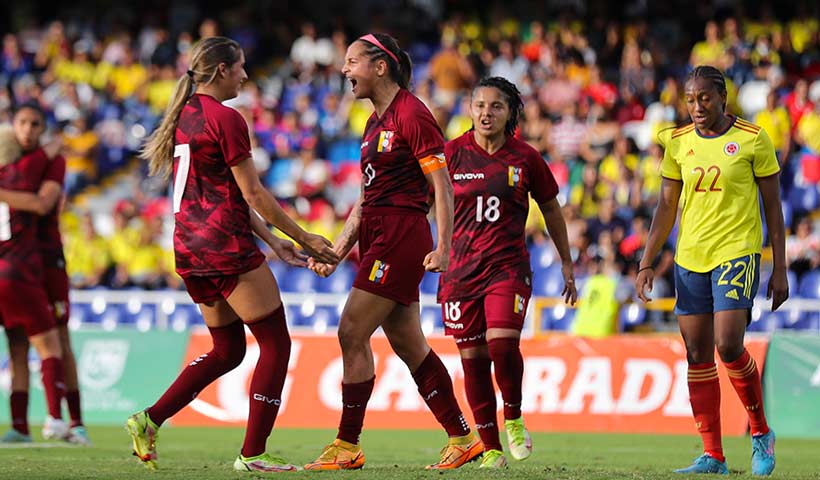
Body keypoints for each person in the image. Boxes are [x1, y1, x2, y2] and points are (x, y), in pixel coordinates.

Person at [126, 36, 339, 472]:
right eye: (240, 66)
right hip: (225, 249)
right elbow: (253, 192)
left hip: (189, 249)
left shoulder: (184, 116)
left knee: (227, 350)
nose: (245, 74)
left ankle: (149, 419)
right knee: (276, 344)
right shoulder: (227, 118)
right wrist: (302, 237)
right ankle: (254, 453)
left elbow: (221, 195)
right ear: (222, 69)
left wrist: (272, 240)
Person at [305, 33, 480, 471]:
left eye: (352, 62)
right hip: (378, 235)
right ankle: (462, 437)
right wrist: (340, 249)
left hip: (401, 236)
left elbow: (442, 184)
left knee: (351, 330)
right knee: (408, 343)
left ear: (379, 66)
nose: (344, 70)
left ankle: (347, 444)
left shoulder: (412, 113)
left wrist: (445, 245)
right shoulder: (372, 123)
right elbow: (366, 198)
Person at [636, 65, 787, 476]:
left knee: (728, 344)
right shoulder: (677, 141)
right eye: (690, 99)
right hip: (690, 258)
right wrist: (647, 261)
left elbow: (773, 208)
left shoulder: (754, 138)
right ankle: (713, 455)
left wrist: (780, 267)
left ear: (722, 98)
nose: (697, 106)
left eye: (704, 98)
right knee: (697, 353)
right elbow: (666, 207)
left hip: (737, 252)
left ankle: (759, 432)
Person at [438, 77, 577, 469]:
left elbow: (551, 209)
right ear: (469, 110)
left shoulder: (526, 158)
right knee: (473, 360)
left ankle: (513, 416)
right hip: (460, 273)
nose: (486, 112)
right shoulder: (450, 154)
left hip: (507, 267)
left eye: (495, 106)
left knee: (501, 345)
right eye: (479, 105)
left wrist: (565, 262)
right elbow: (422, 200)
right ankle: (490, 448)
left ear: (509, 113)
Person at [0, 112, 90, 445]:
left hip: (47, 261)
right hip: (19, 266)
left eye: (34, 124)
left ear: (42, 128)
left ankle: (75, 422)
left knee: (60, 339)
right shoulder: (20, 161)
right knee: (18, 345)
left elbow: (45, 201)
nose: (27, 130)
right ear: (14, 127)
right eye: (22, 123)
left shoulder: (52, 163)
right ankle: (21, 425)